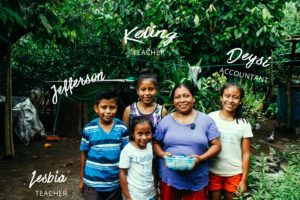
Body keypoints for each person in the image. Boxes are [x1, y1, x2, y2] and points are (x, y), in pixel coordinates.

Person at [153, 83, 221, 200]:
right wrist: (162, 154)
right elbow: (156, 143)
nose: (182, 100)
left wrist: (200, 158)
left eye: (186, 96)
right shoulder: (166, 121)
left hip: (196, 177)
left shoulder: (206, 120)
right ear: (174, 101)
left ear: (193, 98)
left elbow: (216, 145)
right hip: (170, 177)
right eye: (177, 97)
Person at [79, 90, 129, 200]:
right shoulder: (89, 129)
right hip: (92, 184)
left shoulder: (122, 128)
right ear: (96, 108)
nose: (108, 111)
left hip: (115, 183)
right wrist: (82, 179)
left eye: (112, 107)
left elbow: (126, 154)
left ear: (116, 107)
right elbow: (84, 155)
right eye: (104, 107)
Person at [207, 82, 253, 200]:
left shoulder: (244, 124)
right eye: (227, 96)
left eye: (235, 97)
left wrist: (244, 180)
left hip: (234, 173)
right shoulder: (211, 118)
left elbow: (246, 153)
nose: (230, 100)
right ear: (221, 97)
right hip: (213, 171)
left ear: (240, 100)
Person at [119, 116, 158, 200]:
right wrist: (128, 196)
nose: (144, 137)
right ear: (133, 134)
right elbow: (122, 174)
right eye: (140, 134)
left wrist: (155, 188)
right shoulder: (127, 150)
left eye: (147, 133)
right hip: (134, 195)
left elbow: (151, 168)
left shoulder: (149, 146)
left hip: (150, 194)